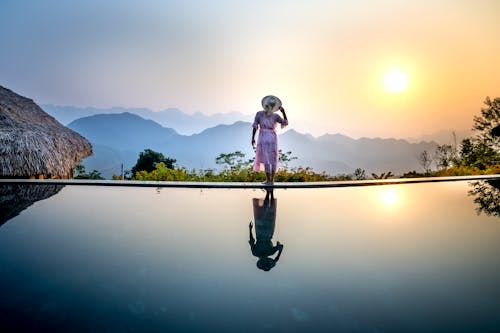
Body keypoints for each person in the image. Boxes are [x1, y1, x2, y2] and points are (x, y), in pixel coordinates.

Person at [251, 95, 288, 185]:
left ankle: (268, 180)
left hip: (263, 138)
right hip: (272, 138)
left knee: (266, 158)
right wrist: (283, 112)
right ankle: (272, 179)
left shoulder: (259, 114)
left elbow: (255, 126)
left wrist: (252, 138)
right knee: (273, 158)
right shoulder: (275, 116)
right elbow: (285, 122)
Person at [248, 189, 284, 271]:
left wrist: (250, 229)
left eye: (264, 262)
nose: (265, 260)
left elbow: (252, 241)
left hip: (260, 231)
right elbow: (281, 247)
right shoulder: (271, 252)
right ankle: (270, 192)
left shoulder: (256, 253)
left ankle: (269, 192)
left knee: (261, 212)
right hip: (268, 232)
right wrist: (279, 251)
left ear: (260, 261)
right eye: (267, 262)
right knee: (270, 211)